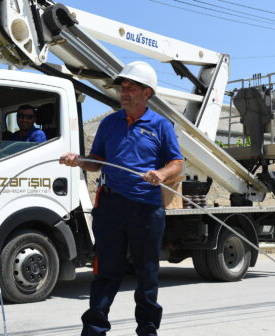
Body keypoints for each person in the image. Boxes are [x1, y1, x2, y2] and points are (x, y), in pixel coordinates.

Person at [59, 61, 183, 336]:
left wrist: (161, 174)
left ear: (147, 93)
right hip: (112, 207)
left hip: (147, 209)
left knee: (147, 273)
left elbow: (177, 163)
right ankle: (94, 328)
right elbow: (97, 162)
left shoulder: (161, 126)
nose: (124, 92)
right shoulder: (109, 123)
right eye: (122, 87)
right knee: (106, 272)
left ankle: (148, 328)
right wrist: (78, 161)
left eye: (131, 87)